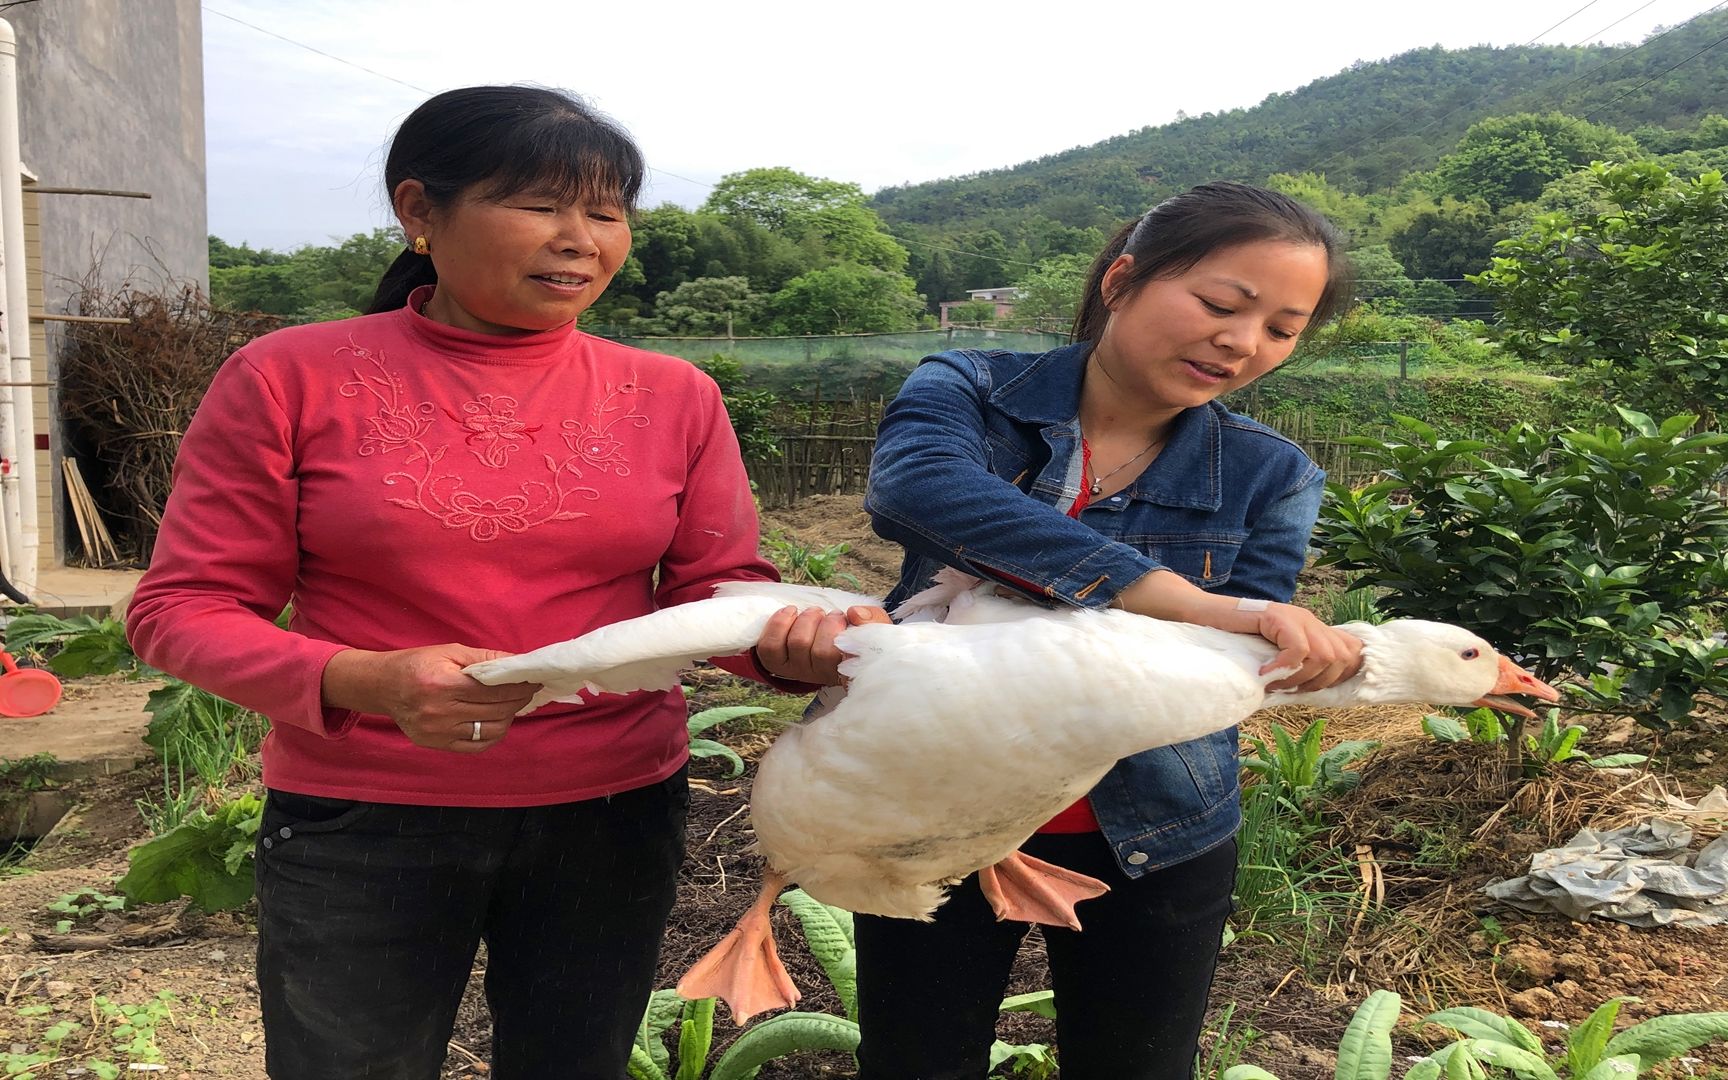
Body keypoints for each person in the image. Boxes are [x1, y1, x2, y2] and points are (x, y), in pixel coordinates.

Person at [124, 85, 868, 1080]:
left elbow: (718, 589)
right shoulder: (287, 377)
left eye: (606, 215)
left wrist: (789, 642)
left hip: (610, 815)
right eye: (539, 206)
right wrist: (369, 681)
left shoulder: (673, 396)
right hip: (364, 819)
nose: (579, 240)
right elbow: (180, 611)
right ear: (420, 213)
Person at [856, 182, 1362, 1079]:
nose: (1242, 344)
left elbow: (1232, 659)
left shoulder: (1270, 474)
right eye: (1220, 304)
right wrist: (1188, 601)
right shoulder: (972, 389)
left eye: (1283, 329)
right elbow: (918, 490)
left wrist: (1291, 657)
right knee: (916, 1061)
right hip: (935, 807)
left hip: (1156, 828)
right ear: (1123, 279)